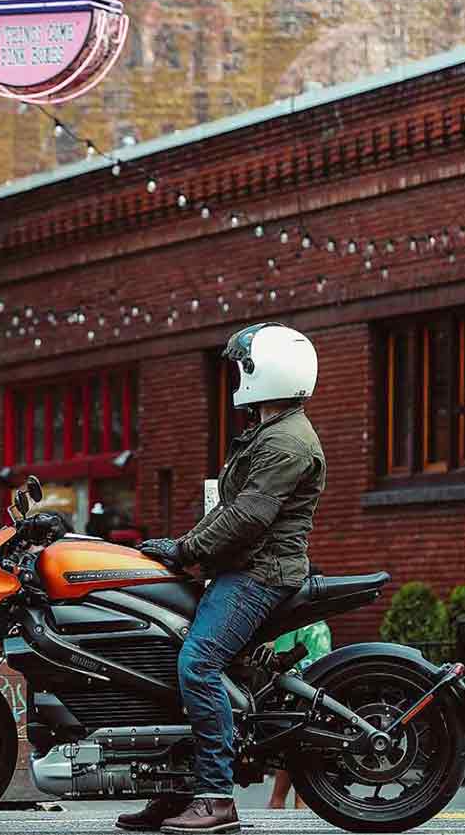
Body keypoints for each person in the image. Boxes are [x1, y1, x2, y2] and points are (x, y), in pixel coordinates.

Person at [120, 323, 326, 835]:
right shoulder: (269, 431)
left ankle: (215, 798)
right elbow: (231, 510)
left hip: (260, 574)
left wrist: (186, 549)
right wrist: (184, 548)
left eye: (244, 367)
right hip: (243, 567)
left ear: (268, 372)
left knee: (198, 663)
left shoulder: (287, 442)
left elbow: (249, 516)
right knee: (167, 657)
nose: (239, 377)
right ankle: (175, 790)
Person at [266, 619, 332, 809]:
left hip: (298, 693)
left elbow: (281, 660)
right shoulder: (320, 625)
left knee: (292, 748)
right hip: (317, 692)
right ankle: (292, 804)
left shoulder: (294, 624)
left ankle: (280, 803)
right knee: (305, 748)